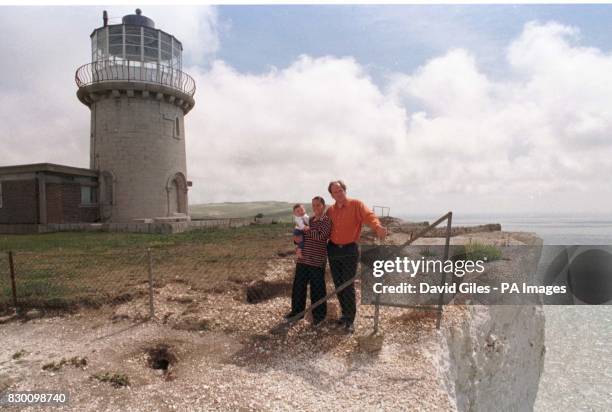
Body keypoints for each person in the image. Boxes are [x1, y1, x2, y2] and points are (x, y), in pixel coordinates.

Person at [326, 180, 386, 332]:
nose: (338, 193)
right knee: (339, 285)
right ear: (332, 195)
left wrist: (377, 226)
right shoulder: (331, 211)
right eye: (335, 192)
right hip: (333, 249)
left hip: (349, 250)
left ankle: (350, 319)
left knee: (348, 284)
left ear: (345, 190)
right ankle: (344, 315)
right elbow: (322, 226)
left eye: (340, 190)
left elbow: (369, 215)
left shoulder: (356, 205)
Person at [285, 196, 331, 326]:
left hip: (317, 261)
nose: (315, 207)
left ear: (323, 206)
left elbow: (321, 236)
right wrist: (296, 239)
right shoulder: (308, 220)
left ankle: (319, 317)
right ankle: (296, 312)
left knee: (317, 290)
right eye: (313, 205)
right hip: (303, 259)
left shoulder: (326, 220)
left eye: (318, 205)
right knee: (298, 287)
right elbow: (299, 236)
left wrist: (307, 230)